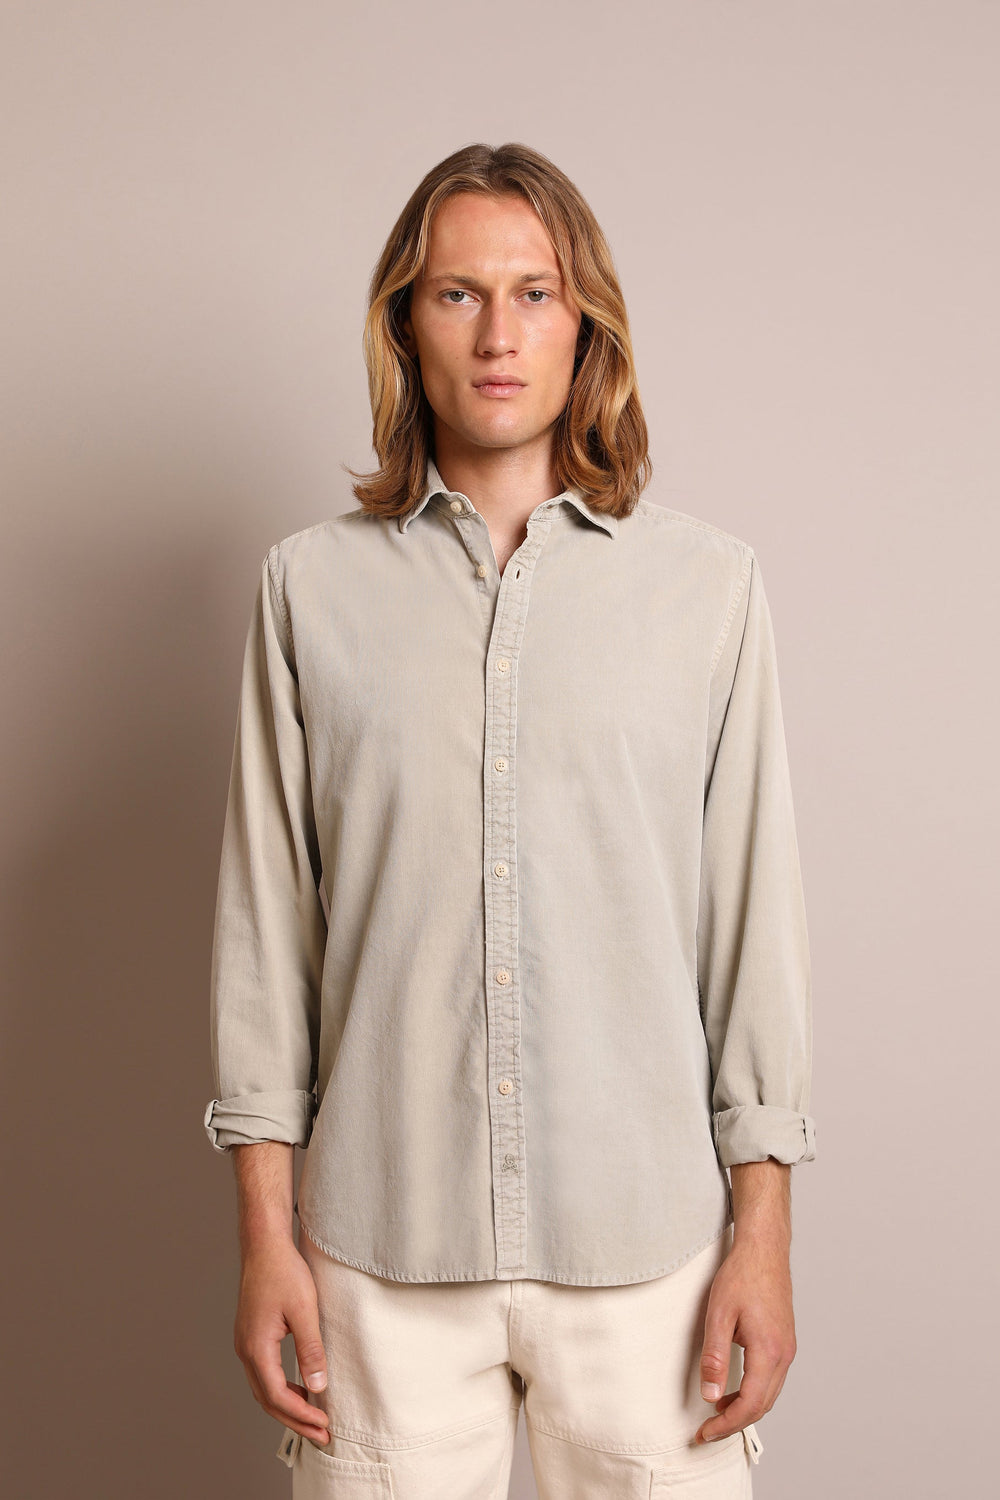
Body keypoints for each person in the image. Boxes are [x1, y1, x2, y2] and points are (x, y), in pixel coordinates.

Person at [203, 141, 816, 1498]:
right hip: (380, 1259)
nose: (498, 335)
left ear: (584, 323)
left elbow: (751, 931)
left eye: (535, 293)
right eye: (458, 294)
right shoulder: (308, 593)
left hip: (648, 1255)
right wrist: (265, 1239)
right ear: (404, 324)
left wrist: (764, 1233)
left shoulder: (709, 592)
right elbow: (266, 939)